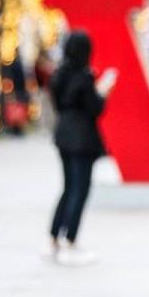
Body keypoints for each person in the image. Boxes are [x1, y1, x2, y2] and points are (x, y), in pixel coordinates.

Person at [47, 30, 116, 266]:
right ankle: (71, 238)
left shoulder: (59, 75)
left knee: (67, 187)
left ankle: (55, 234)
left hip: (63, 135)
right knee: (80, 189)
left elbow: (59, 104)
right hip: (82, 138)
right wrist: (103, 91)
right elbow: (95, 108)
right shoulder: (84, 78)